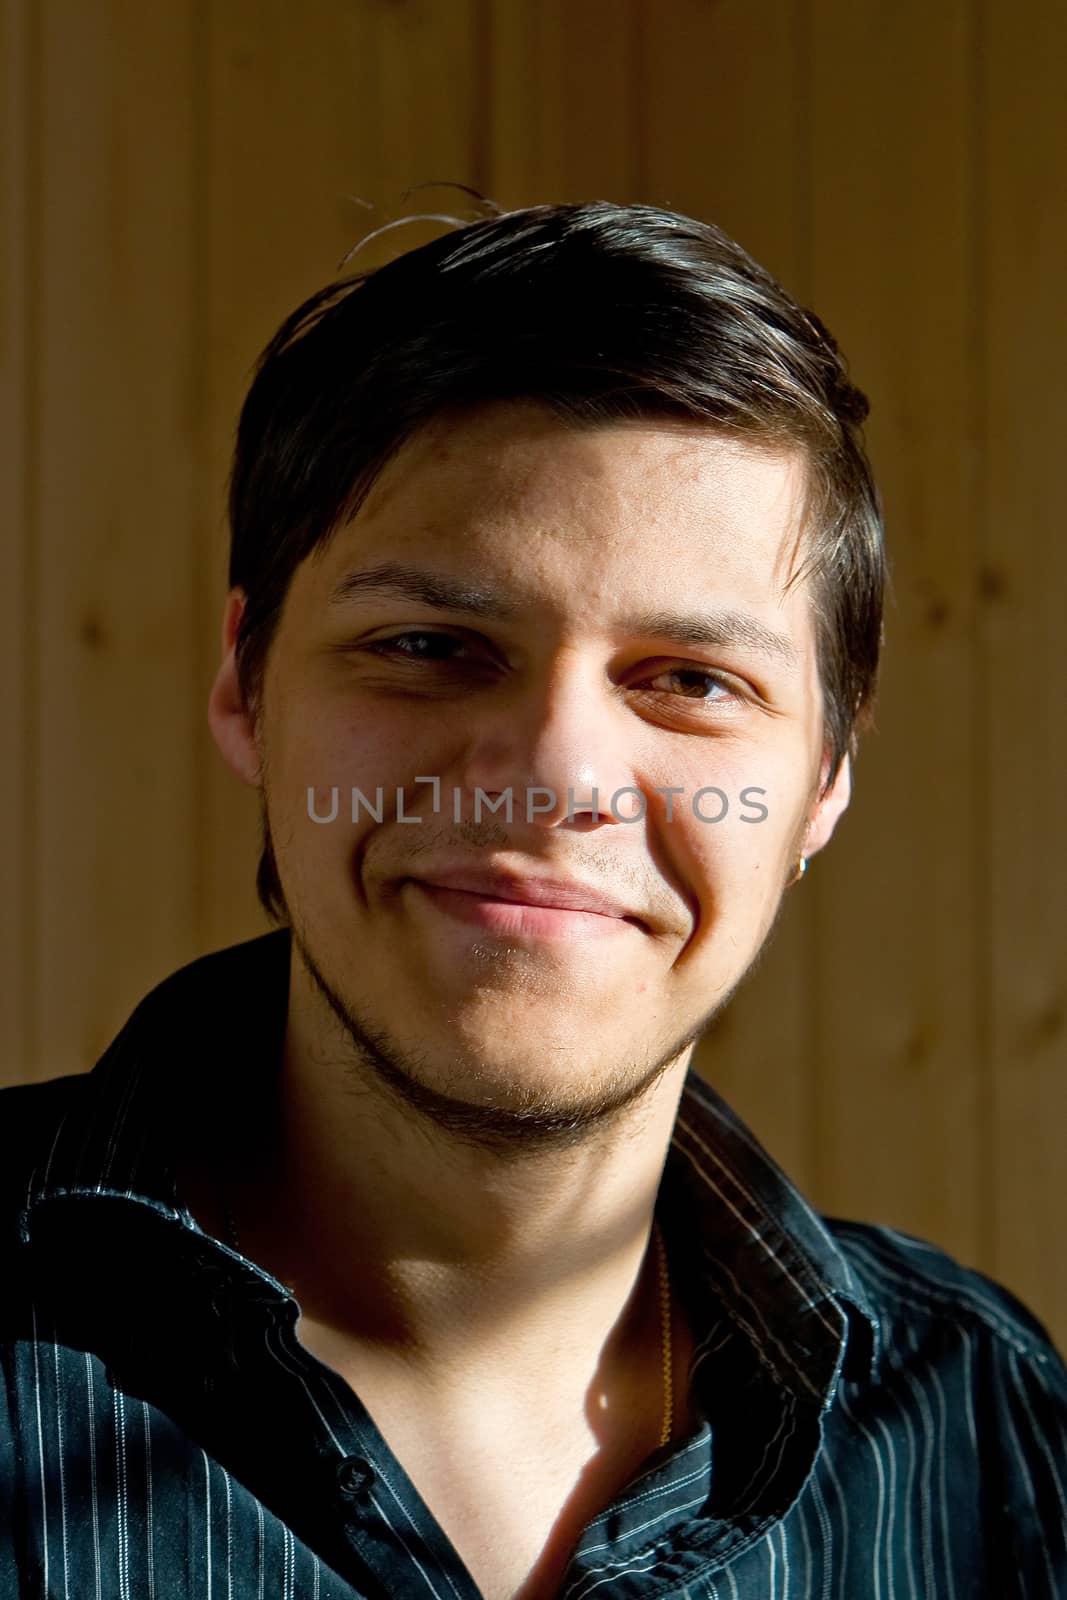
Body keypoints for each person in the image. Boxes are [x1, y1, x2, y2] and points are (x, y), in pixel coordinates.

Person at [3, 201, 1065, 1600]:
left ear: (825, 780)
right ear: (246, 685)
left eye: (688, 679)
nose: (557, 775)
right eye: (431, 645)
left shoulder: (980, 1425)